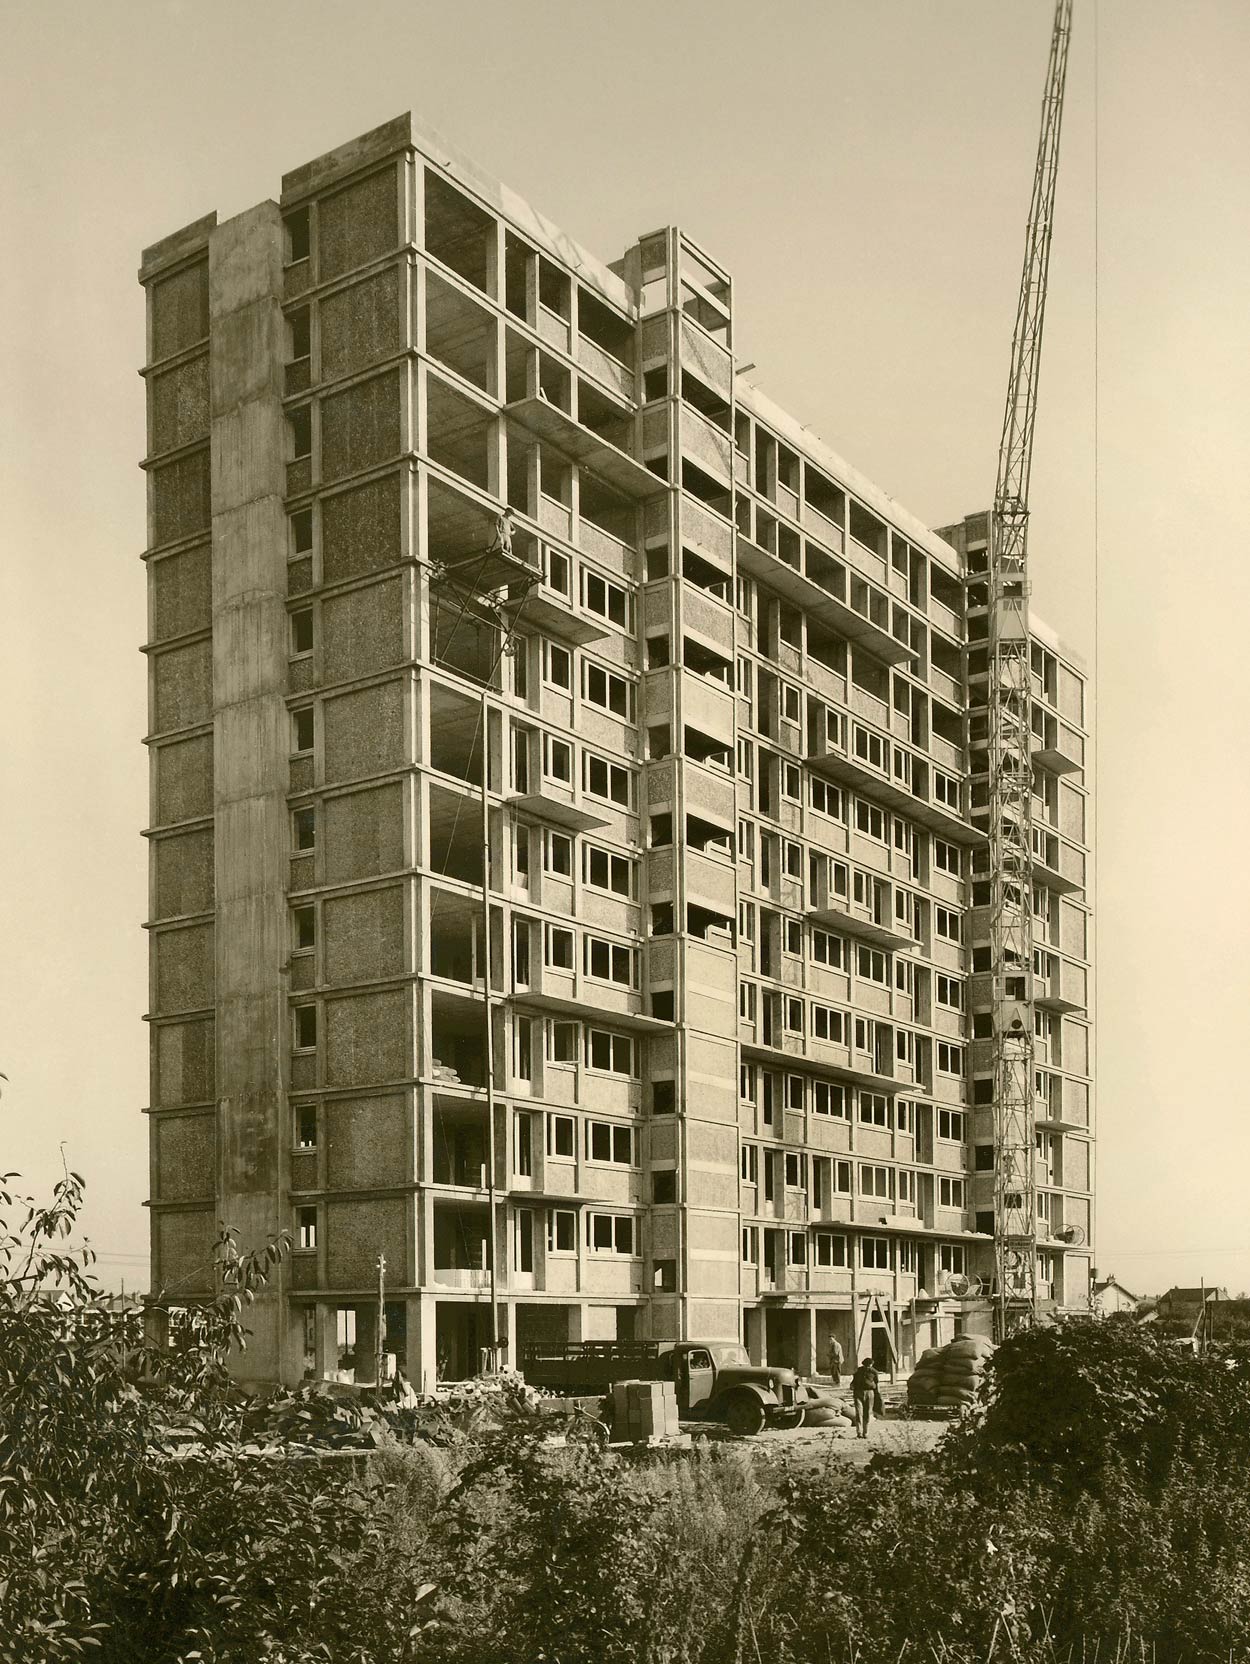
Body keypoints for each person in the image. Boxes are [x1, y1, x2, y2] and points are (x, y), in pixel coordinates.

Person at [850, 1357, 879, 1439]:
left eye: (870, 1365)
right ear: (864, 1365)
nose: (868, 1367)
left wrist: (878, 1395)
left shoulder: (874, 1372)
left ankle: (865, 1432)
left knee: (867, 1413)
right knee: (859, 1413)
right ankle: (859, 1432)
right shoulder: (858, 1372)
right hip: (858, 1393)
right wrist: (851, 1385)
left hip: (869, 1393)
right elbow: (853, 1381)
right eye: (867, 1366)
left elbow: (877, 1384)